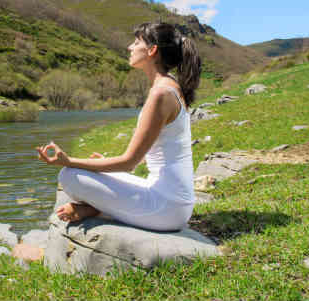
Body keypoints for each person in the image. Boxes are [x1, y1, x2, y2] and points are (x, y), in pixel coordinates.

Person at [36, 22, 202, 231]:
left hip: (166, 209)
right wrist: (98, 164)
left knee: (68, 175)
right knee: (96, 171)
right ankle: (98, 208)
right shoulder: (170, 85)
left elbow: (128, 163)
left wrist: (68, 161)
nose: (129, 47)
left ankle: (96, 209)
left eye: (136, 42)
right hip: (173, 201)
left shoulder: (161, 93)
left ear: (152, 51)